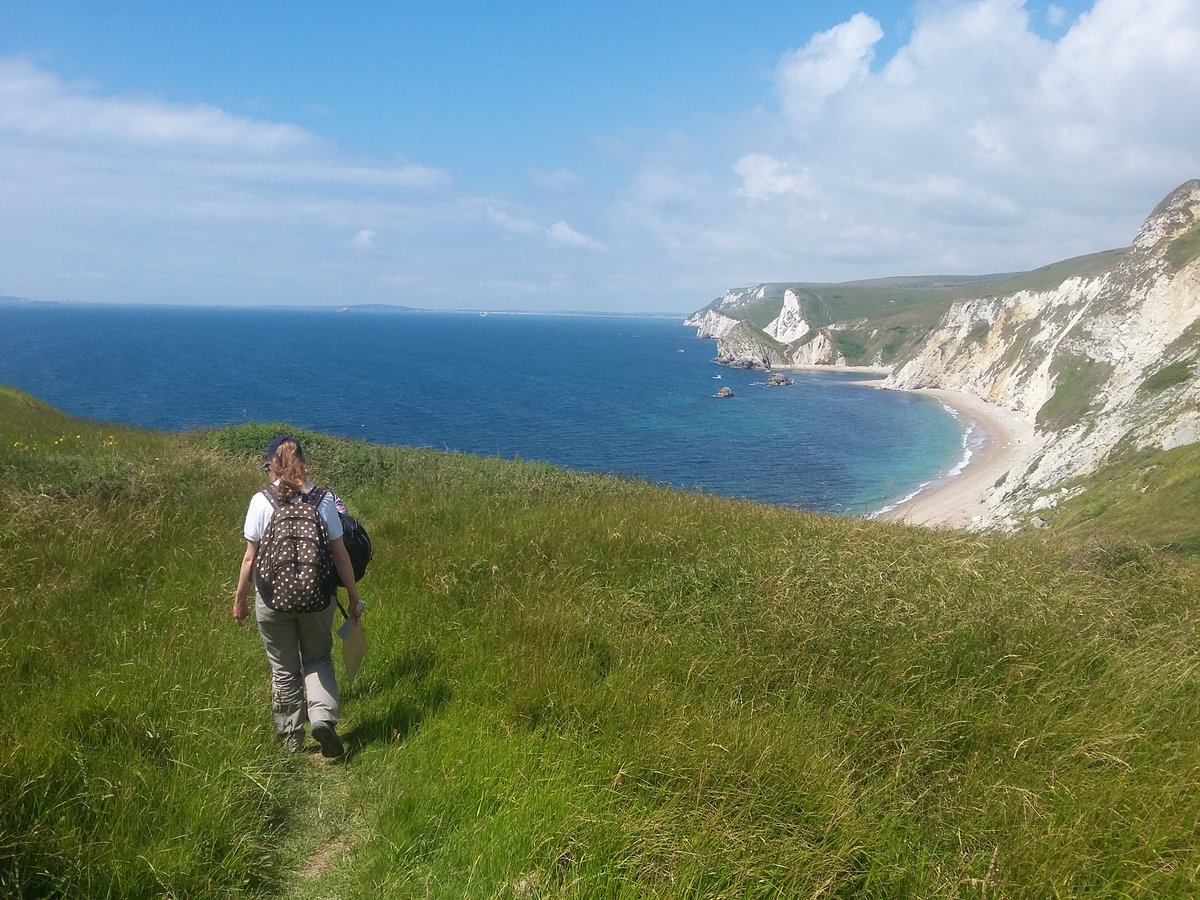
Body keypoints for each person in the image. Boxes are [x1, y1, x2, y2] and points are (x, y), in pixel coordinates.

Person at [232, 435, 365, 758]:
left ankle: (292, 739)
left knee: (284, 668)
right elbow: (340, 556)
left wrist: (240, 600)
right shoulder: (324, 500)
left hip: (272, 600)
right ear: (303, 463)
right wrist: (353, 596)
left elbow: (250, 559)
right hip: (318, 598)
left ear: (270, 466)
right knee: (318, 658)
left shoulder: (261, 501)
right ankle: (322, 719)